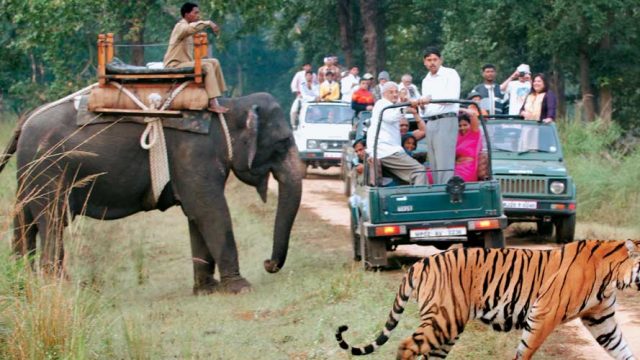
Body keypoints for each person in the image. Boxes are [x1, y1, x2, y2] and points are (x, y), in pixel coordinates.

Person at [164, 2, 228, 113]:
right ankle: (213, 103)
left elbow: (193, 29)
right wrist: (208, 23)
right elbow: (190, 29)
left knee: (214, 61)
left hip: (185, 62)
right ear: (187, 14)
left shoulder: (187, 27)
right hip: (175, 65)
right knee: (207, 66)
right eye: (195, 13)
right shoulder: (180, 26)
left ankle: (219, 96)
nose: (198, 15)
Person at [366, 82, 428, 185]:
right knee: (419, 171)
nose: (395, 94)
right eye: (391, 92)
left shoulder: (392, 106)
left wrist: (409, 106)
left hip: (389, 151)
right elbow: (391, 117)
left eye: (396, 92)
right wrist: (406, 107)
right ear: (384, 94)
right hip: (386, 151)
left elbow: (422, 130)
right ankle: (419, 200)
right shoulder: (382, 104)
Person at [420, 46, 460, 184]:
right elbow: (426, 108)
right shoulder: (426, 80)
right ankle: (438, 190)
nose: (432, 62)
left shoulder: (450, 73)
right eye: (429, 60)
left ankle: (446, 194)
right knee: (434, 162)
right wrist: (421, 104)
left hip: (446, 119)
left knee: (445, 162)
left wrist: (429, 99)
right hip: (430, 122)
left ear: (440, 60)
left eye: (435, 59)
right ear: (424, 62)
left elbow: (452, 97)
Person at [454, 108, 482, 182]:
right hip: (455, 168)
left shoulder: (474, 133)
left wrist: (458, 108)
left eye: (465, 125)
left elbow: (473, 114)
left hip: (468, 169)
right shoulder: (458, 137)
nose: (462, 127)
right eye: (460, 125)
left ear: (471, 125)